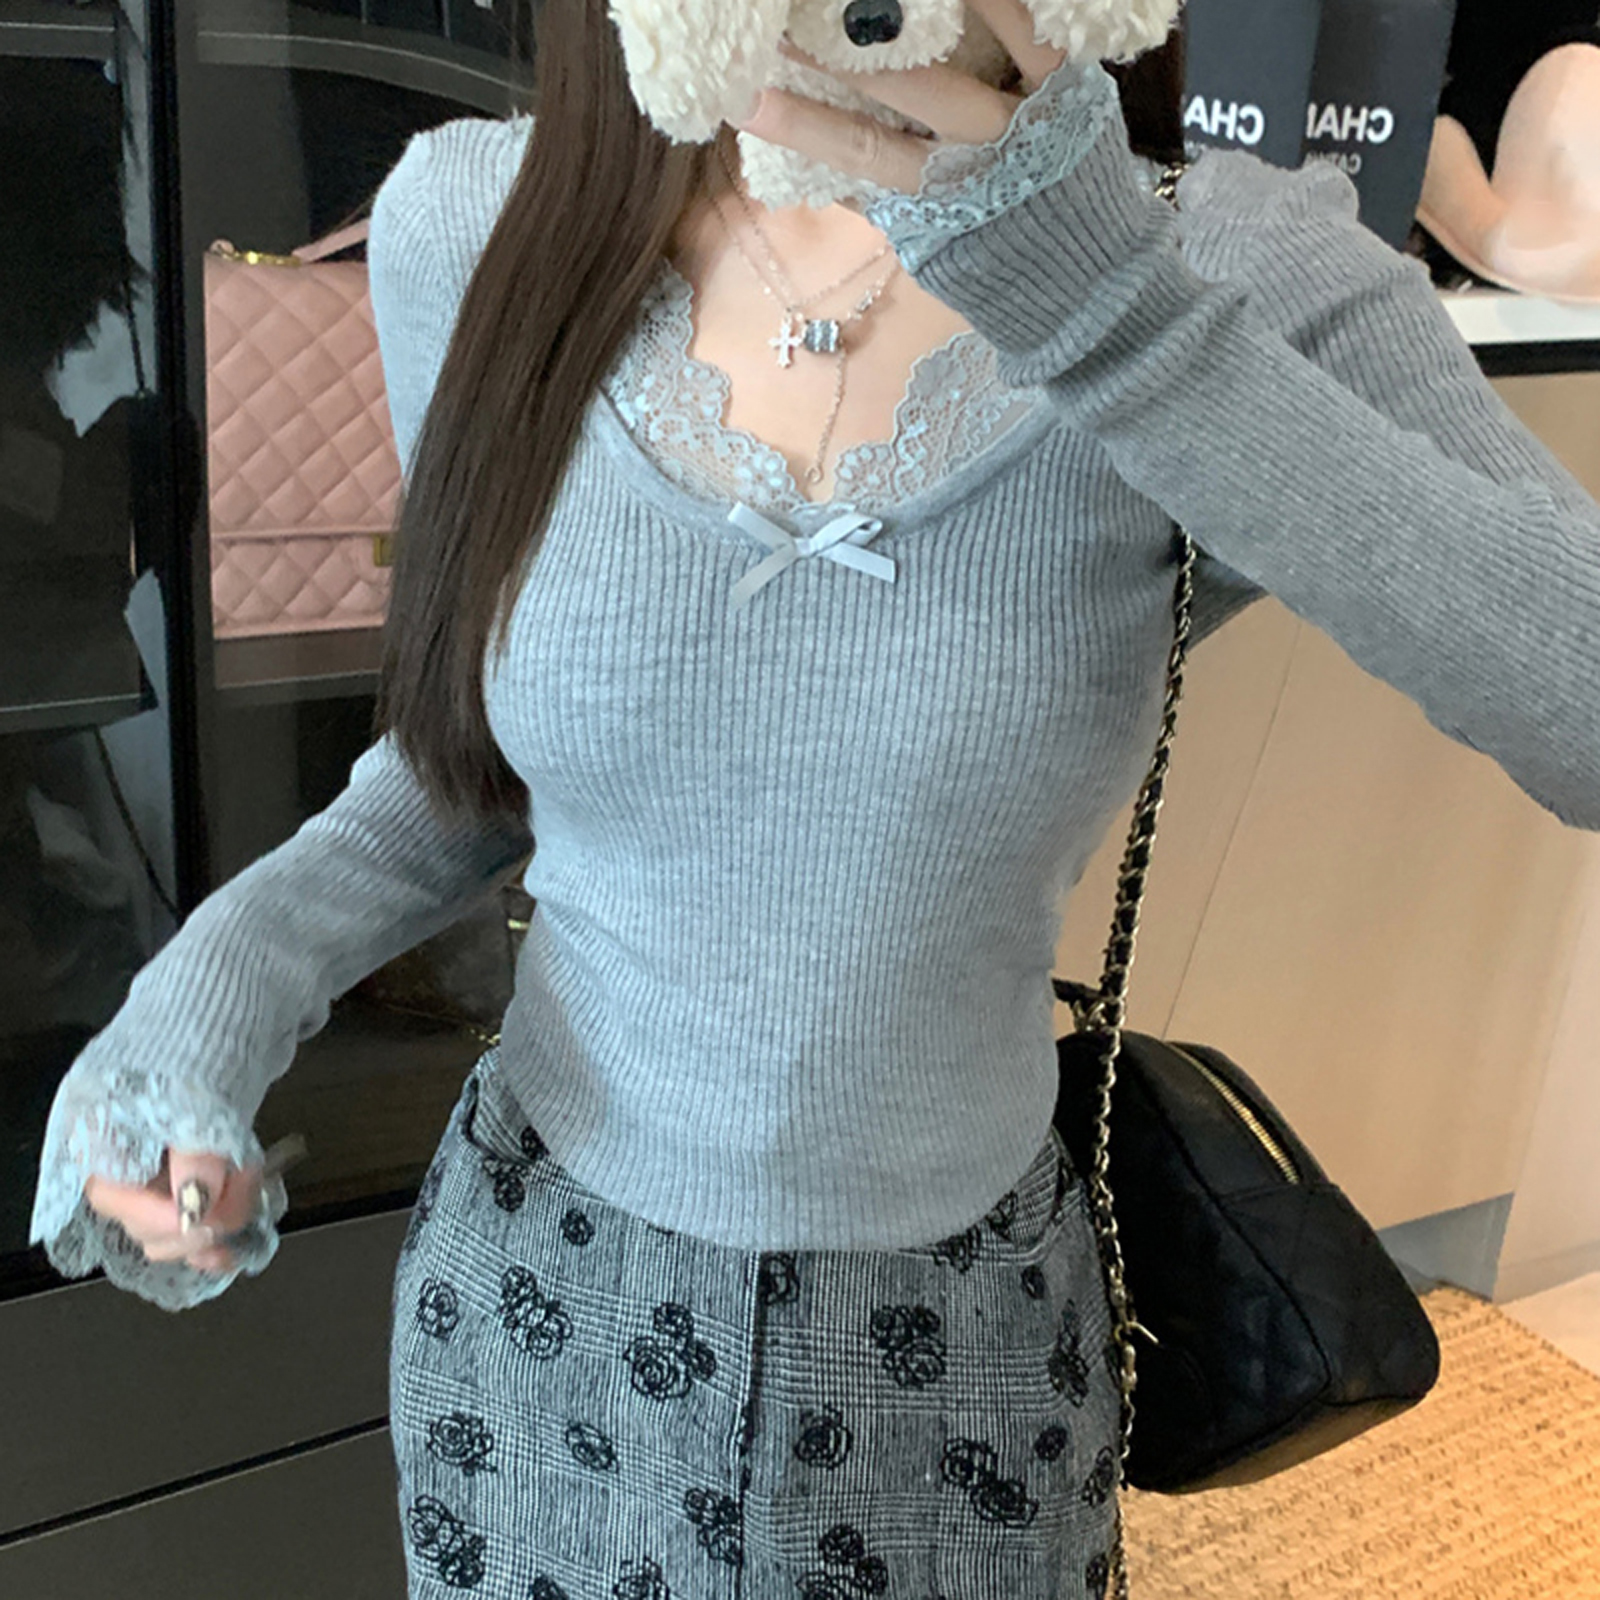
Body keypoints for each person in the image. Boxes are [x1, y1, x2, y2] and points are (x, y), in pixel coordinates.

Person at [30, 1, 1600, 1595]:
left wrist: (1117, 315)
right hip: (543, 1306)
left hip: (962, 1340)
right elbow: (458, 778)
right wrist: (198, 1012)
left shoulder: (1232, 265)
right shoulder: (478, 222)